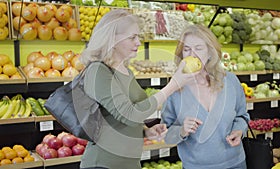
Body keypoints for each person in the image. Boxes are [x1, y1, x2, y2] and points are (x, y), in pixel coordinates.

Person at [78, 9, 199, 169]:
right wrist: (173, 85)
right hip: (104, 163)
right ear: (112, 39)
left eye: (138, 37)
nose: (138, 42)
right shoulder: (98, 71)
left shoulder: (125, 71)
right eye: (132, 37)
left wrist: (145, 131)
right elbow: (128, 114)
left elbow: (122, 118)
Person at [160, 24, 250, 169]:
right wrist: (182, 130)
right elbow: (166, 134)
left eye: (198, 48)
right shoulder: (175, 89)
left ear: (210, 52)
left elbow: (242, 116)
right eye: (186, 49)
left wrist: (239, 130)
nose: (192, 54)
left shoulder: (230, 81)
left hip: (235, 164)